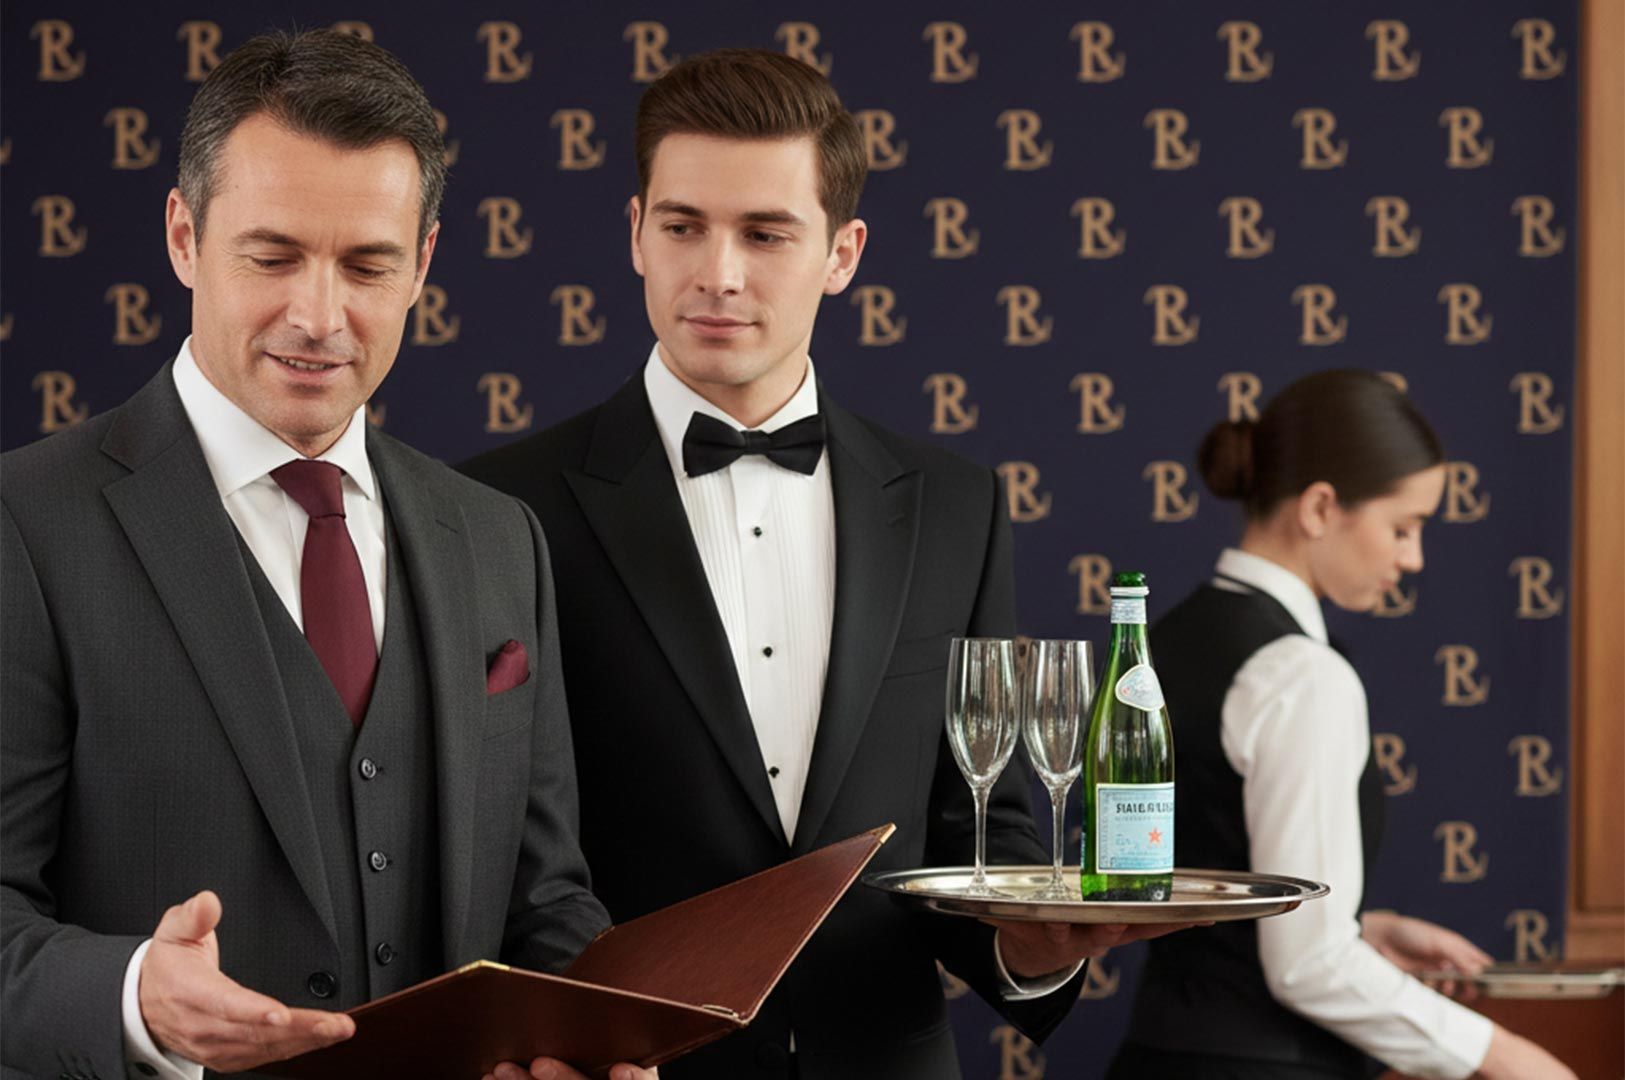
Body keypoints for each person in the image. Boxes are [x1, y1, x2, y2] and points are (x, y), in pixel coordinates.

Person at [462, 48, 1180, 1080]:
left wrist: (1029, 951)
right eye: (683, 226)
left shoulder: (955, 506)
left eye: (764, 234)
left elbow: (980, 825)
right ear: (634, 234)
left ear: (842, 253)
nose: (718, 273)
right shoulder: (497, 507)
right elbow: (493, 845)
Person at [0, 30, 649, 1080]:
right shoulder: (22, 524)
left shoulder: (497, 538)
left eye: (366, 265)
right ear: (183, 237)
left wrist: (598, 1037)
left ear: (422, 264)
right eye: (272, 257)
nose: (318, 315)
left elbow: (543, 898)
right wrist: (134, 997)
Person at [1106, 370, 1575, 1080]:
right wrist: (1504, 1057)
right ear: (1321, 507)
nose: (1412, 557)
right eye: (1403, 527)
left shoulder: (1156, 642)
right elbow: (1309, 964)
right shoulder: (1302, 674)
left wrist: (1361, 929)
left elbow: (1216, 886)